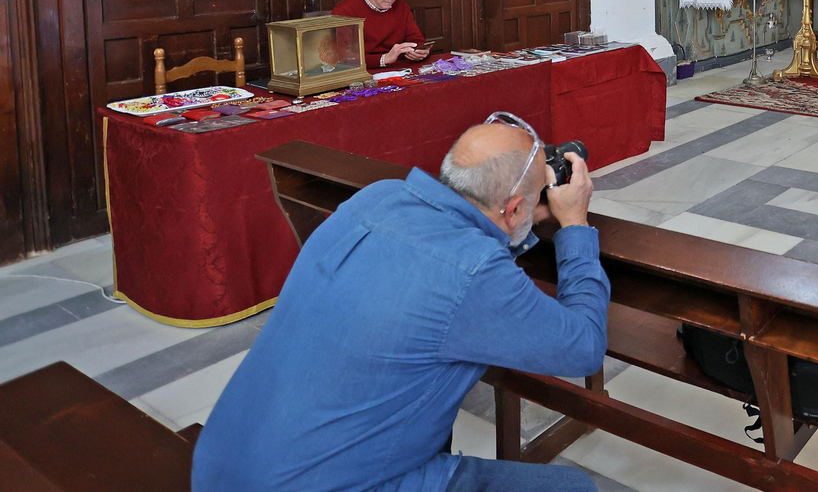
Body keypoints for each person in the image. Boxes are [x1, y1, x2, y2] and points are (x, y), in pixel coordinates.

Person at [191, 114, 609, 492]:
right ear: (516, 208)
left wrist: (514, 222)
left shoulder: (378, 197)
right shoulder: (475, 273)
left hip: (221, 467)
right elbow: (585, 347)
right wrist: (574, 224)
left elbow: (446, 261)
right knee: (573, 488)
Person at [333, 0, 428, 68]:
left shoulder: (401, 6)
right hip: (364, 73)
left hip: (399, 70)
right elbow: (344, 58)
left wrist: (420, 51)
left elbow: (417, 40)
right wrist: (384, 59)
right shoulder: (344, 11)